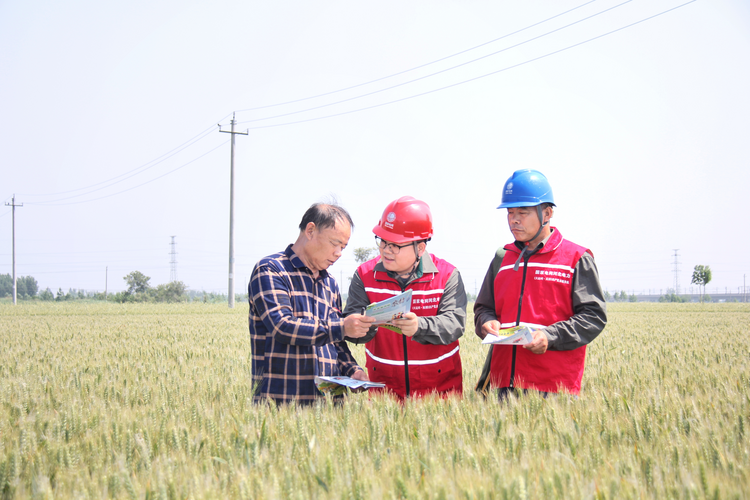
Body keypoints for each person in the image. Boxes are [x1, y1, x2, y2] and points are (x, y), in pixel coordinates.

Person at [474, 169, 606, 398]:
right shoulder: (502, 257)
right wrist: (486, 323)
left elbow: (593, 317)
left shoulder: (576, 258)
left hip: (553, 389)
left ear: (547, 213)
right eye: (510, 212)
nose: (513, 219)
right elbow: (484, 309)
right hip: (502, 385)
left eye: (523, 212)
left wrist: (550, 336)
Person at [249, 202, 376, 405]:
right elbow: (282, 326)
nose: (339, 253)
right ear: (310, 230)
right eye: (335, 243)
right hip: (281, 407)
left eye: (343, 247)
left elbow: (336, 341)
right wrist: (342, 327)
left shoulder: (330, 283)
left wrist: (354, 370)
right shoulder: (271, 270)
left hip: (329, 409)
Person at [344, 196, 467, 400]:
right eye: (382, 241)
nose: (386, 250)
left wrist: (420, 326)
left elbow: (454, 324)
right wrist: (364, 325)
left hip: (438, 395)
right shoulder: (364, 276)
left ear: (420, 247)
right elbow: (351, 326)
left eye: (395, 245)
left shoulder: (447, 276)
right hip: (385, 394)